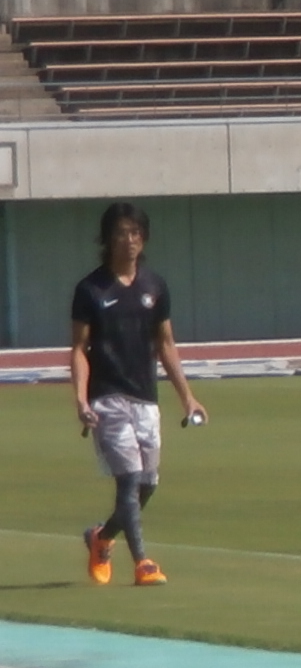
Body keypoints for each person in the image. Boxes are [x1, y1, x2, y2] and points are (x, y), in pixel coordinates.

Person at [70, 201, 206, 588]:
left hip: (145, 397)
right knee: (129, 481)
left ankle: (102, 537)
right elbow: (78, 349)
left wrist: (188, 397)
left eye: (135, 232)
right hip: (107, 398)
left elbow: (166, 344)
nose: (129, 240)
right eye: (120, 233)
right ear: (107, 239)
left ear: (143, 238)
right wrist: (81, 399)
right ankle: (143, 562)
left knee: (148, 484)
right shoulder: (91, 290)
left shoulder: (154, 287)